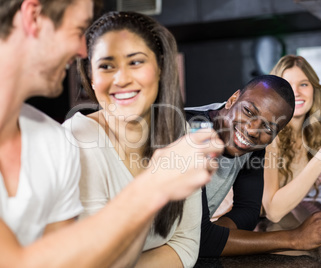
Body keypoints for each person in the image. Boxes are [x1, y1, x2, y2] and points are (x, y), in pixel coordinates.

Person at [0, 1, 222, 267]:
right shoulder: (74, 137)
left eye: (136, 62)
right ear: (33, 16)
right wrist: (151, 187)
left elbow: (75, 261)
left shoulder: (51, 140)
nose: (84, 49)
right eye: (79, 28)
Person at [62, 11, 207, 267]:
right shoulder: (77, 140)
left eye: (135, 62)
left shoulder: (179, 131)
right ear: (90, 76)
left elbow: (186, 244)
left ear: (160, 66)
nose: (122, 79)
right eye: (106, 66)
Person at [186, 74, 321, 257]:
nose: (253, 130)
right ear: (232, 100)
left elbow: (248, 210)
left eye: (269, 128)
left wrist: (214, 236)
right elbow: (200, 240)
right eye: (249, 111)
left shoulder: (254, 145)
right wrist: (295, 238)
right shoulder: (188, 130)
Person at [259, 55, 321, 223]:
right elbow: (273, 212)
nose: (295, 92)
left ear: (313, 89)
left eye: (303, 84)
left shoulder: (313, 133)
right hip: (229, 229)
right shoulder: (268, 134)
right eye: (286, 86)